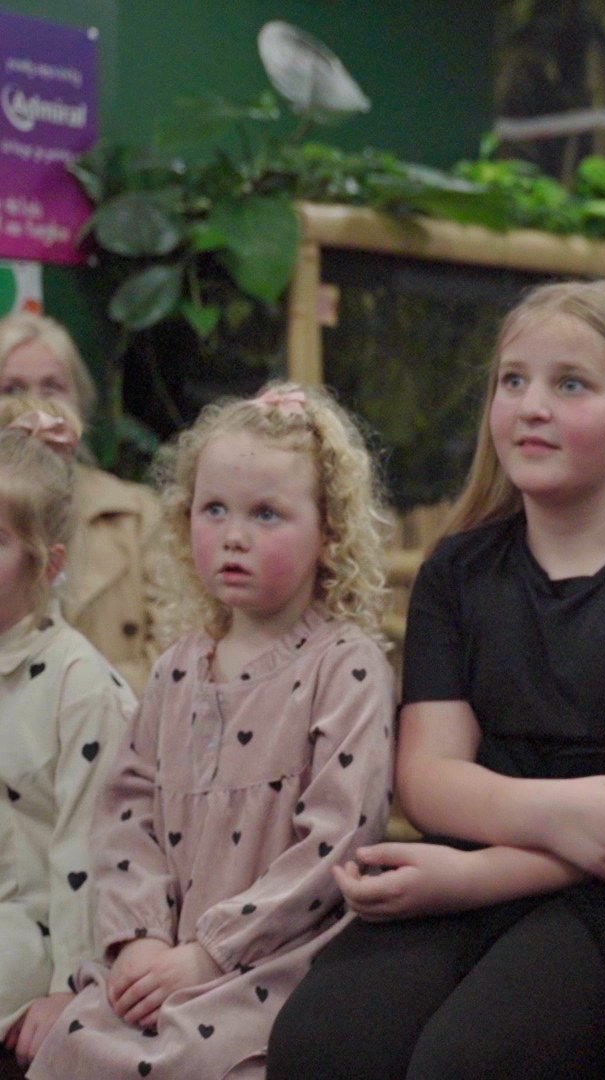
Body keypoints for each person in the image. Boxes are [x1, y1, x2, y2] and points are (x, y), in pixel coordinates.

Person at [268, 279, 605, 1080]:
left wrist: (478, 873)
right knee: (322, 1046)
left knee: (470, 1063)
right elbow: (426, 780)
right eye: (513, 381)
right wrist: (554, 815)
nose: (531, 406)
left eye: (571, 385)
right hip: (474, 865)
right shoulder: (459, 569)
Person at [26, 382, 396, 1080]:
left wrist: (210, 953)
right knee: (78, 1039)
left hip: (275, 963)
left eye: (267, 514)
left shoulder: (346, 666)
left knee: (204, 1062)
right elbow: (126, 818)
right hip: (160, 958)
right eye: (214, 509)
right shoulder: (176, 671)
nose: (233, 535)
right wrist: (135, 940)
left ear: (331, 535)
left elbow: (337, 838)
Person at [0, 405, 137, 1075]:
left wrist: (67, 992)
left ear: (47, 562)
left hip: (37, 931)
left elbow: (90, 849)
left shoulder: (79, 684)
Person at [0, 313, 163, 692]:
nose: (35, 405)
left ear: (80, 401)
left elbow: (180, 651)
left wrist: (82, 698)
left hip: (123, 731)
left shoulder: (139, 514)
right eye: (13, 388)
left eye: (53, 387)